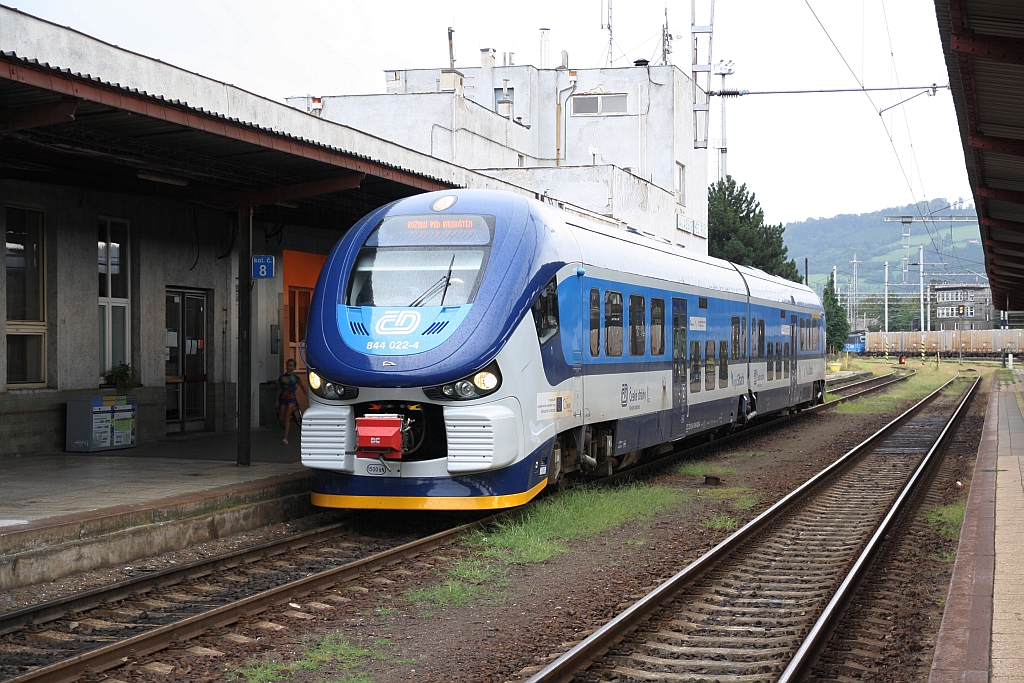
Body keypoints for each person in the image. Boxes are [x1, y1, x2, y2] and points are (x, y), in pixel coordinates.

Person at [276, 359, 305, 445]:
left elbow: (302, 386)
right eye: (288, 365)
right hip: (283, 398)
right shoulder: (282, 378)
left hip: (292, 398)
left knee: (287, 416)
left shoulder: (296, 378)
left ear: (294, 367)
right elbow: (278, 389)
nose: (289, 367)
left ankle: (285, 437)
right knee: (282, 417)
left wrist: (306, 396)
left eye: (291, 366)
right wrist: (277, 401)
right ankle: (285, 430)